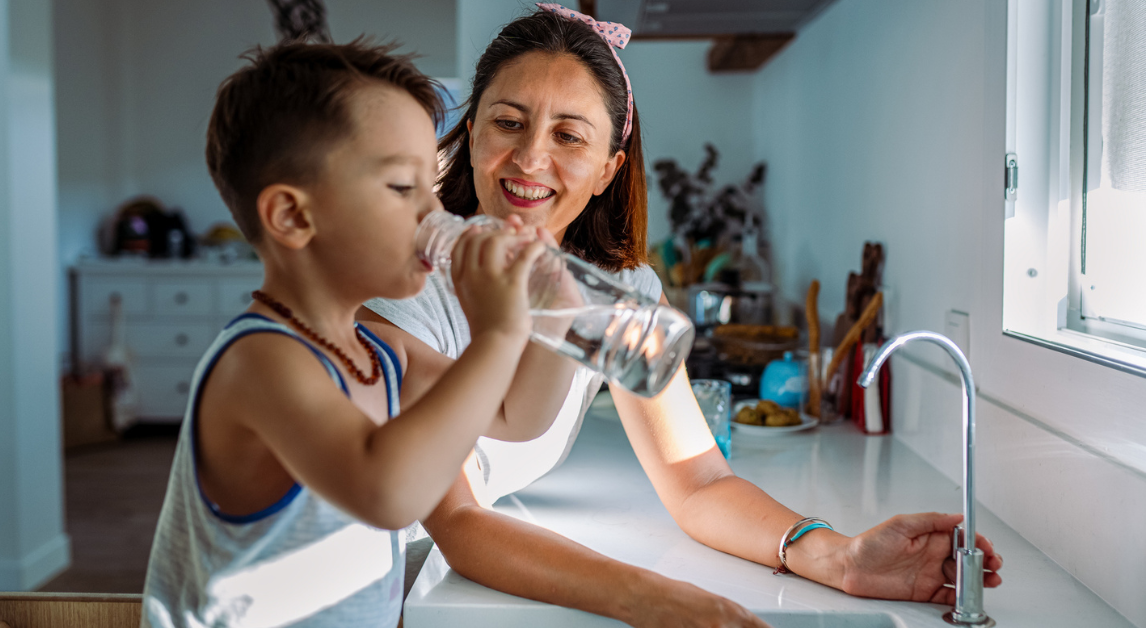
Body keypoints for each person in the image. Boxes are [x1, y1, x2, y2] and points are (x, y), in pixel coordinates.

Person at [362, 6, 1004, 627]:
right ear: (472, 132)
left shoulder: (619, 293)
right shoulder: (403, 290)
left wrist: (838, 557)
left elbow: (697, 481)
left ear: (609, 169)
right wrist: (650, 596)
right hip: (371, 585)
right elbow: (462, 524)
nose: (531, 158)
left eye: (568, 135)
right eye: (508, 122)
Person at [140, 40, 578, 628]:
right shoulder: (260, 362)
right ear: (293, 217)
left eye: (432, 186)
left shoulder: (381, 352)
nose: (435, 214)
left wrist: (556, 319)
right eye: (403, 188)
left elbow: (516, 417)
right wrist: (499, 333)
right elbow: (387, 492)